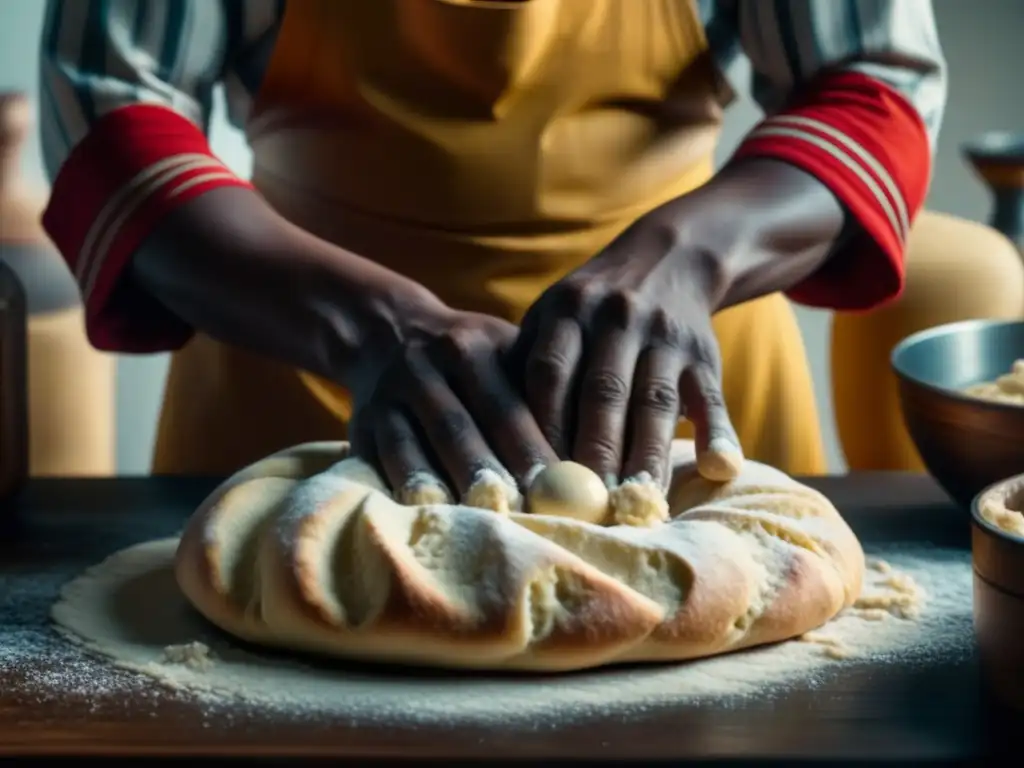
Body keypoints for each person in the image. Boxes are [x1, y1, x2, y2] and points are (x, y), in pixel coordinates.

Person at [39, 0, 946, 505]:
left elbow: (873, 86)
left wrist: (686, 258)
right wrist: (365, 328)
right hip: (300, 382)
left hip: (668, 419)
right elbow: (108, 112)